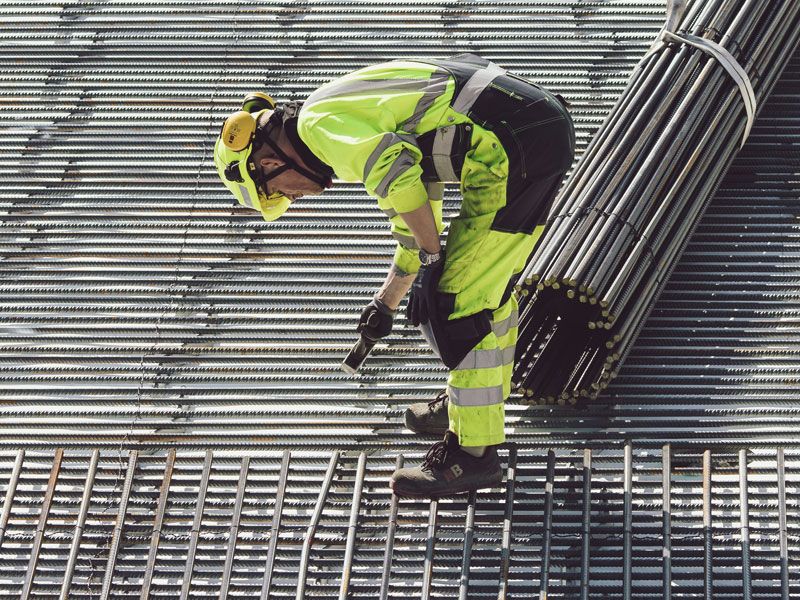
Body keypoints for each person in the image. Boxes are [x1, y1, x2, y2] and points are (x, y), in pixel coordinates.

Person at [213, 54, 575, 498]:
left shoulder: (318, 130)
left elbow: (397, 179)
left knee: (458, 303)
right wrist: (387, 300)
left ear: (268, 165)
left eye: (279, 192)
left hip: (513, 144)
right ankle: (469, 409)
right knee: (484, 291)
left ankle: (471, 458)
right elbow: (416, 206)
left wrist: (431, 261)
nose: (294, 197)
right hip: (527, 134)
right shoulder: (333, 112)